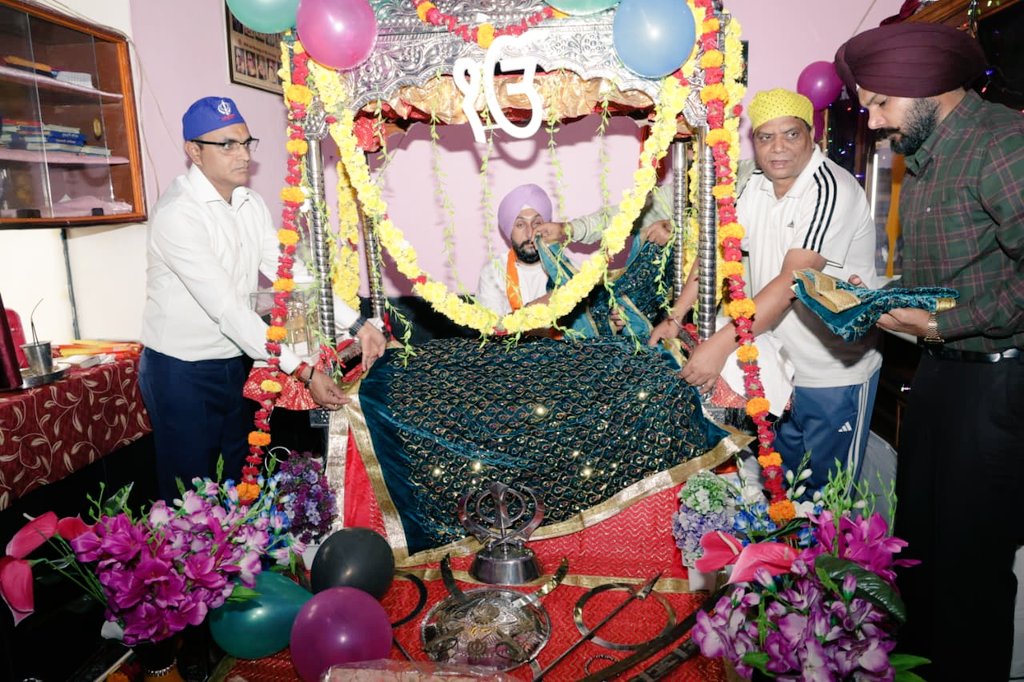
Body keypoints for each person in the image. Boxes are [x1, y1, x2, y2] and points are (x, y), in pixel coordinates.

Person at [835, 24, 1023, 681]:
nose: (876, 120)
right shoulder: (929, 155)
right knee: (916, 554)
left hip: (997, 387)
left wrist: (949, 326)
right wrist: (875, 295)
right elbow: (956, 272)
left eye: (882, 102)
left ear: (928, 90)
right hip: (942, 378)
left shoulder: (1003, 143)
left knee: (968, 571)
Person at [139, 96, 386, 501]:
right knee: (190, 491)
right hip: (180, 372)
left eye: (245, 143)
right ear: (193, 151)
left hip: (233, 362)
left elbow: (295, 277)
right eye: (227, 145)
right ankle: (186, 566)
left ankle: (237, 563)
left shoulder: (248, 204)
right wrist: (304, 372)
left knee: (238, 479)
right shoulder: (178, 215)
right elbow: (229, 311)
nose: (242, 155)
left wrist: (358, 325)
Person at [649, 88, 881, 492]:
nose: (778, 148)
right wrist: (676, 316)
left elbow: (793, 281)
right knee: (784, 492)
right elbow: (717, 255)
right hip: (775, 369)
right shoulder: (751, 186)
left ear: (813, 136)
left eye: (791, 135)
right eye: (765, 137)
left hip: (834, 370)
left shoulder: (829, 189)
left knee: (829, 503)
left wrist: (720, 345)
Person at [477, 183, 554, 316]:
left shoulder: (567, 269)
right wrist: (538, 307)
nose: (530, 233)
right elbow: (493, 330)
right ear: (509, 232)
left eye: (536, 223)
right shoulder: (494, 273)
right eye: (520, 225)